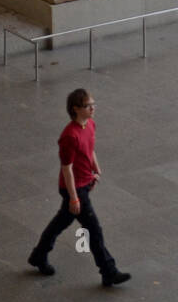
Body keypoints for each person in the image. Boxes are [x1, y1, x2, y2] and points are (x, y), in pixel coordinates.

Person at [28, 89, 130, 288]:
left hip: (84, 183)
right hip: (75, 188)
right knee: (94, 230)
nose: (93, 108)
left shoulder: (90, 124)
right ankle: (108, 271)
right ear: (75, 109)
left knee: (61, 221)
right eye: (88, 106)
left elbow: (90, 149)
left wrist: (96, 169)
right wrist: (74, 198)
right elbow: (66, 169)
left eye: (93, 104)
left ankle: (39, 255)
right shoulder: (69, 136)